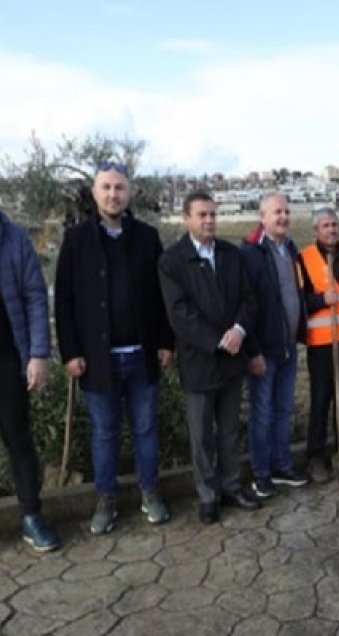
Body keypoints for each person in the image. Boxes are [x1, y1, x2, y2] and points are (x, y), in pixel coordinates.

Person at [55, 161, 173, 535]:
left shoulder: (147, 237)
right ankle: (105, 500)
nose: (112, 195)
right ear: (94, 193)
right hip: (97, 361)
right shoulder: (76, 240)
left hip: (141, 356)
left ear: (129, 193)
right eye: (106, 188)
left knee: (145, 429)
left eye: (119, 188)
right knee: (104, 433)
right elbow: (65, 302)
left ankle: (150, 492)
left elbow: (161, 298)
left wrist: (166, 342)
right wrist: (70, 352)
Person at [159, 191, 260, 524]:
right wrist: (218, 340)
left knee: (230, 430)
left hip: (232, 359)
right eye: (201, 215)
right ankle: (207, 495)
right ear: (186, 218)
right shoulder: (172, 261)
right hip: (199, 361)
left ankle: (231, 486)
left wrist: (240, 331)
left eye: (213, 215)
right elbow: (179, 314)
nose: (209, 221)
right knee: (201, 435)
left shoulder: (231, 255)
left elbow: (249, 299)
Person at [240, 194, 309, 499]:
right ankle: (261, 473)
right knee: (262, 412)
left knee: (283, 410)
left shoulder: (290, 249)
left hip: (288, 347)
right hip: (264, 350)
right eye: (276, 212)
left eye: (286, 211)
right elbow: (246, 305)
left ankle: (282, 466)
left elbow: (297, 294)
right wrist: (252, 351)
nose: (283, 217)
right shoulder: (252, 253)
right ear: (262, 216)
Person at [0, 210, 60, 552]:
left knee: (19, 442)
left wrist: (39, 354)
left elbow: (36, 296)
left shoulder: (14, 238)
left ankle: (31, 517)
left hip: (9, 360)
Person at [300, 207, 339, 483]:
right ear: (316, 230)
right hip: (322, 342)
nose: (331, 230)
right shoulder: (304, 258)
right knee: (321, 399)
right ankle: (315, 456)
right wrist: (319, 301)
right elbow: (299, 301)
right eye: (325, 225)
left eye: (334, 225)